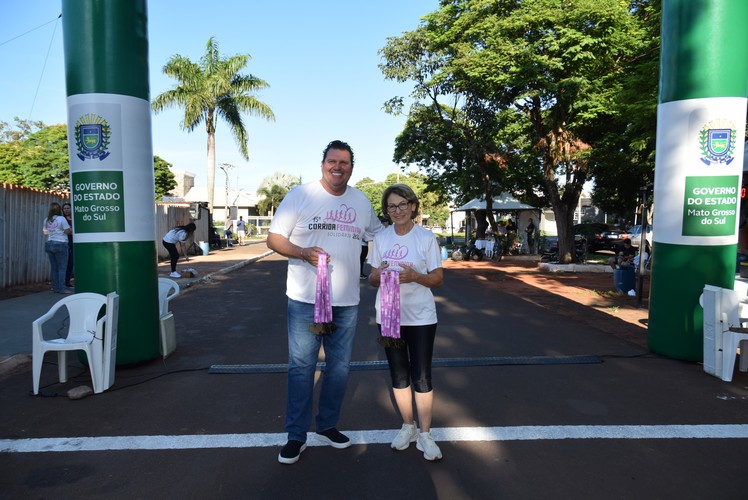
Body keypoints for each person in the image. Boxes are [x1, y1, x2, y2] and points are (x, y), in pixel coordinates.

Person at [267, 140, 384, 465]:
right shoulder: (300, 195)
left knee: (339, 368)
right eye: (333, 161)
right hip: (305, 299)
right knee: (302, 367)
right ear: (323, 164)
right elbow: (274, 238)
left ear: (351, 167)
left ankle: (327, 425)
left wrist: (405, 247)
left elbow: (379, 235)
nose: (338, 167)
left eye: (344, 162)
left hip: (346, 301)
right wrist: (303, 252)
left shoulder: (360, 201)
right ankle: (296, 435)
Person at [367, 183, 445, 461]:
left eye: (402, 205)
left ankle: (425, 433)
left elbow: (438, 278)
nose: (397, 210)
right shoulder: (381, 238)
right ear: (386, 211)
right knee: (399, 374)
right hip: (388, 314)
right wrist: (379, 275)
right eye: (391, 206)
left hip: (421, 316)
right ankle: (407, 426)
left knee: (421, 376)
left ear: (412, 206)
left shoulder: (426, 238)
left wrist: (415, 277)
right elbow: (372, 276)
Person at [43, 202, 72, 294]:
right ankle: (62, 288)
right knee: (62, 268)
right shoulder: (61, 219)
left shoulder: (46, 219)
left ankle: (55, 288)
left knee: (54, 267)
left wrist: (54, 231)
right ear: (59, 210)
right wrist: (70, 229)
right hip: (61, 243)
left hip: (49, 243)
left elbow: (45, 233)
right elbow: (67, 231)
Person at [62, 202, 74, 288]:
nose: (66, 210)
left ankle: (67, 282)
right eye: (64, 208)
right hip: (65, 242)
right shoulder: (62, 219)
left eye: (68, 208)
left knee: (71, 263)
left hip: (74, 242)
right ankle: (63, 282)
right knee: (64, 263)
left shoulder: (75, 219)